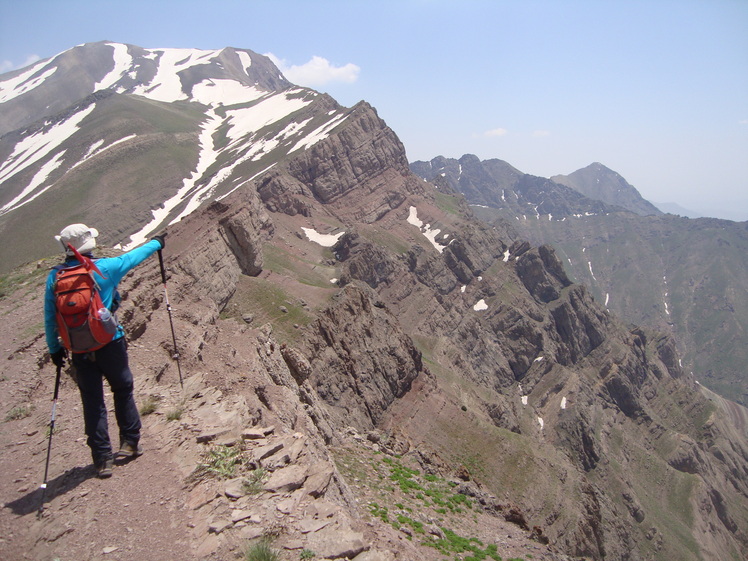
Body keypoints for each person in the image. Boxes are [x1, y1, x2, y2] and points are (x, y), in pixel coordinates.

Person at [44, 224, 165, 478]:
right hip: (111, 344)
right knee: (122, 390)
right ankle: (130, 443)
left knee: (93, 401)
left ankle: (101, 459)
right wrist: (157, 243)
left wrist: (55, 349)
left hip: (79, 349)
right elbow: (134, 257)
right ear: (90, 244)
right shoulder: (106, 268)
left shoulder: (54, 278)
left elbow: (49, 317)